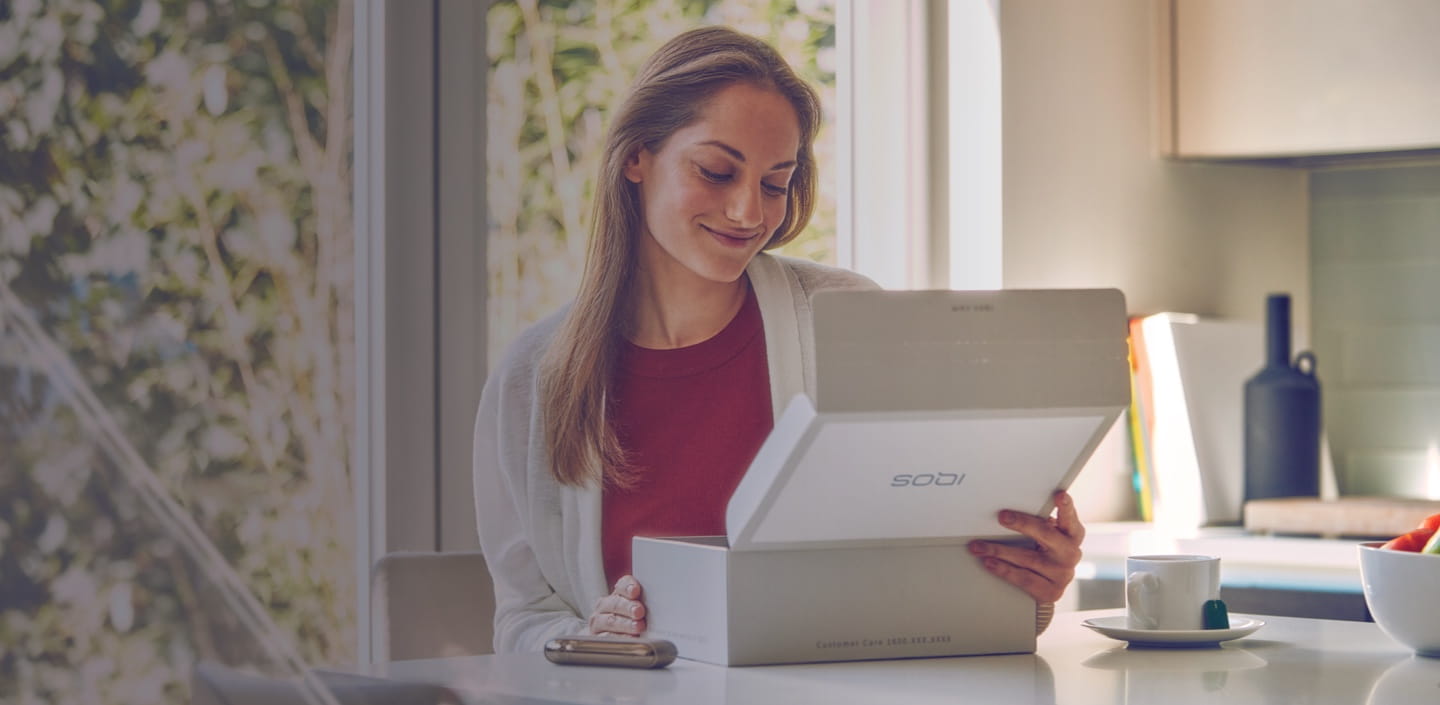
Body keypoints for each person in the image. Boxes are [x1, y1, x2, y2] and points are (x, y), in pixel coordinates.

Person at [472, 25, 1084, 654]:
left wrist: (1029, 582)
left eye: (774, 183)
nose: (748, 213)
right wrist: (589, 638)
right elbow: (524, 620)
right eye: (716, 171)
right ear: (636, 157)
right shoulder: (535, 377)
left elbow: (926, 555)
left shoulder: (845, 321)